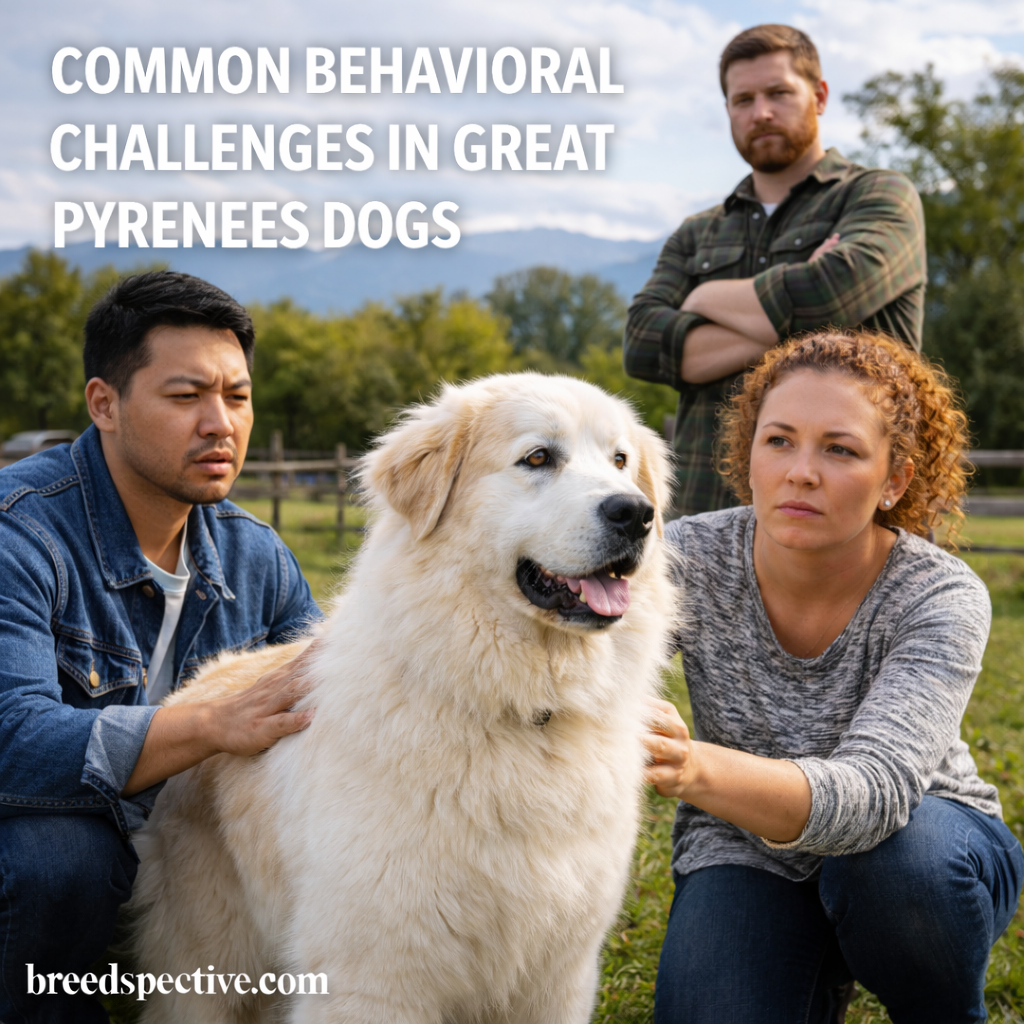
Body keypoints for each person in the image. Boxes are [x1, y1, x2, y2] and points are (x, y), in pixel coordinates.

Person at [643, 329, 1024, 1024]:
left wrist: (690, 765)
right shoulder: (683, 560)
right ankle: (804, 965)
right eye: (778, 440)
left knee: (900, 871)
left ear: (895, 480)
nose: (801, 472)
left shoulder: (939, 594)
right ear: (748, 455)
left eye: (840, 449)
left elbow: (877, 794)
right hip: (745, 844)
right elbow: (578, 661)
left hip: (920, 842)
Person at [0, 271, 322, 1023]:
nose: (221, 424)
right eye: (187, 398)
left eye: (237, 396)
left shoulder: (257, 556)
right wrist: (209, 723)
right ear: (104, 404)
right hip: (50, 834)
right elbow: (10, 739)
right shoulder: (19, 533)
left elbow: (335, 692)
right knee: (59, 859)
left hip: (193, 854)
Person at [623, 24, 926, 515]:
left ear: (820, 96)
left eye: (779, 93)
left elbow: (828, 293)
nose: (760, 112)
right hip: (707, 527)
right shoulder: (696, 233)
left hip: (855, 532)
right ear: (727, 112)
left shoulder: (879, 197)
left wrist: (702, 301)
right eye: (742, 99)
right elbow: (640, 343)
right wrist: (809, 324)